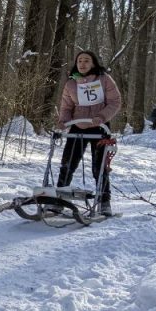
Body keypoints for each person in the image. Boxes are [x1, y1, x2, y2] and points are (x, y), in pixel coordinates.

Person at [55, 50, 122, 216]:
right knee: (67, 164)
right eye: (79, 61)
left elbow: (115, 102)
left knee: (99, 167)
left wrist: (101, 116)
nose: (82, 64)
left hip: (100, 126)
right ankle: (59, 200)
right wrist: (63, 122)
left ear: (93, 63)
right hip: (78, 126)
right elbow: (66, 107)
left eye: (86, 61)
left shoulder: (104, 79)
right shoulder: (71, 84)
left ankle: (104, 201)